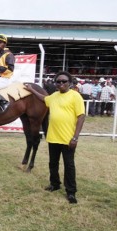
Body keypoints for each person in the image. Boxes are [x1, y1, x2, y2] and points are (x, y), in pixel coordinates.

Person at [24, 71, 85, 204]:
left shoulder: (75, 96)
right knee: (53, 163)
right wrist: (31, 90)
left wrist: (75, 138)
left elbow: (81, 116)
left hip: (68, 139)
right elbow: (43, 98)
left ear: (69, 83)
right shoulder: (53, 96)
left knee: (69, 165)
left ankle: (71, 192)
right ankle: (55, 184)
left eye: (64, 81)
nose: (61, 84)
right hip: (53, 137)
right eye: (58, 81)